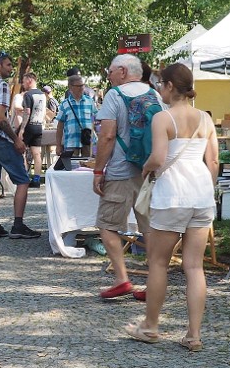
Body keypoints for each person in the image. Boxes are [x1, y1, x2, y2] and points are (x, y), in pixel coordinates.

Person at [124, 63, 218, 351]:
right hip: (200, 195)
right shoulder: (205, 118)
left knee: (158, 263)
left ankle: (151, 326)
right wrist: (206, 187)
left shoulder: (163, 118)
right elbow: (213, 162)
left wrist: (146, 169)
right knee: (194, 266)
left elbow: (158, 157)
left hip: (172, 196)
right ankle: (194, 334)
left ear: (168, 86)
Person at [93, 54, 158, 299]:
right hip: (148, 170)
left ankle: (122, 279)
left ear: (122, 71)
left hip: (121, 171)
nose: (108, 76)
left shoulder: (114, 95)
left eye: (110, 71)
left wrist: (98, 171)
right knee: (150, 228)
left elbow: (108, 136)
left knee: (107, 225)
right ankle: (154, 283)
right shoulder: (155, 95)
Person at [0, 51, 39, 240]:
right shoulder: (1, 85)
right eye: (7, 65)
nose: (11, 68)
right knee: (22, 180)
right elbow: (1, 119)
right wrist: (16, 140)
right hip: (0, 138)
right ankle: (18, 225)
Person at [56, 74, 97, 157]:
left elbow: (96, 121)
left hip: (88, 141)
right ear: (70, 87)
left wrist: (98, 141)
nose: (82, 88)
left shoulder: (90, 102)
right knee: (72, 167)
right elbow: (60, 126)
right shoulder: (65, 104)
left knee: (88, 167)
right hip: (71, 142)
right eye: (78, 86)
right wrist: (58, 145)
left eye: (83, 85)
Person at [20, 73, 46, 188]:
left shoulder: (28, 95)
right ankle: (36, 178)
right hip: (39, 125)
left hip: (29, 125)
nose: (23, 84)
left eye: (24, 81)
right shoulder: (42, 95)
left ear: (30, 80)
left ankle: (25, 176)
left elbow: (27, 112)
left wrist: (22, 129)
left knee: (22, 151)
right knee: (37, 153)